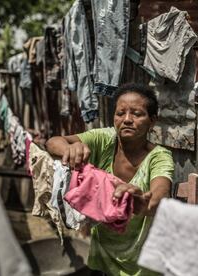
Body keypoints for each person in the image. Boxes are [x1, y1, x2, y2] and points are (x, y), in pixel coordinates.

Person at [45, 83, 174, 275]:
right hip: (102, 258)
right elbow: (52, 142)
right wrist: (70, 149)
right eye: (120, 113)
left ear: (152, 121)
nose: (127, 119)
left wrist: (139, 200)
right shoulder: (104, 140)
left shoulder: (159, 156)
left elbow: (157, 199)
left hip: (142, 265)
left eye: (137, 114)